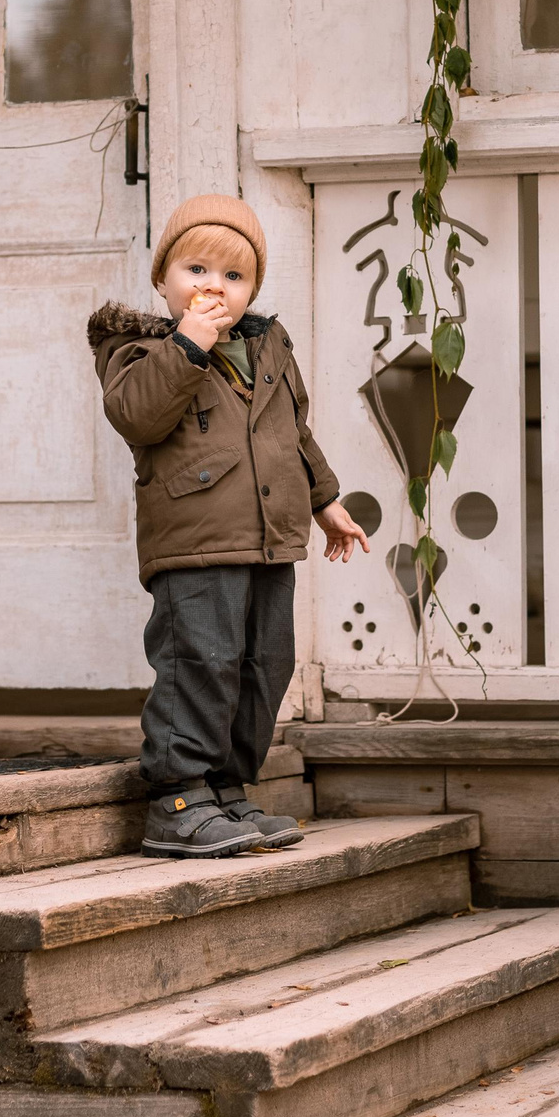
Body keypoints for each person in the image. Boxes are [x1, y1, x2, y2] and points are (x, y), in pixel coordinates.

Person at [87, 194, 372, 857]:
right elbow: (138, 414)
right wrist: (190, 341)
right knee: (201, 661)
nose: (214, 286)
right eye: (196, 269)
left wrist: (325, 500)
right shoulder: (137, 347)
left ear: (252, 291)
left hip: (270, 535)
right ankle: (178, 796)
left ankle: (225, 786)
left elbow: (291, 432)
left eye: (234, 276)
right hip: (194, 539)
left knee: (262, 664)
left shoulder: (266, 348)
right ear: (163, 280)